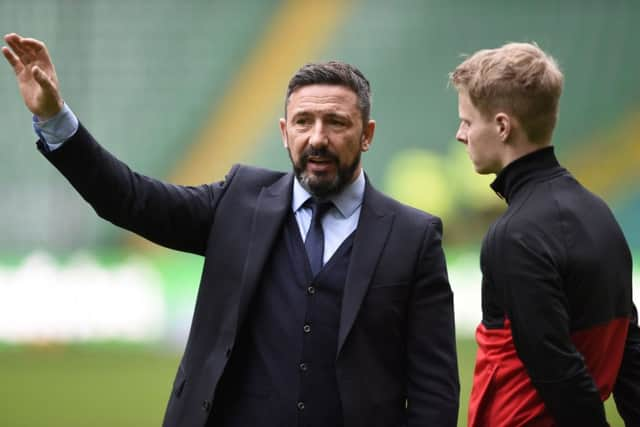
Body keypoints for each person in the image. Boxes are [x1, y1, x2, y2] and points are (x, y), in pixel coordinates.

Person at [2, 33, 460, 427]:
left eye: (336, 122)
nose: (317, 137)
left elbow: (434, 389)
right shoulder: (239, 201)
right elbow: (129, 199)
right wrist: (56, 119)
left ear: (367, 134)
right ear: (284, 132)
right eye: (303, 121)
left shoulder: (413, 236)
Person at [449, 42, 640, 426]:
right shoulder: (599, 215)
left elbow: (555, 368)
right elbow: (629, 348)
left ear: (502, 126)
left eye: (468, 122)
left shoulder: (513, 235)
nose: (460, 134)